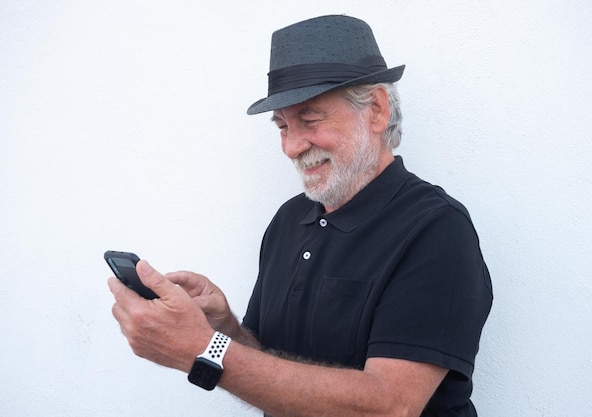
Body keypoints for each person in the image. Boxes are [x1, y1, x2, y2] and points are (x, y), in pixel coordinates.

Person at [108, 15, 493, 417]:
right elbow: (272, 367)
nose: (292, 146)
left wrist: (199, 350)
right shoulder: (288, 221)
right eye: (282, 126)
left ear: (376, 110)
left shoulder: (436, 228)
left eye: (309, 119)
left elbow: (389, 405)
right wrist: (221, 330)